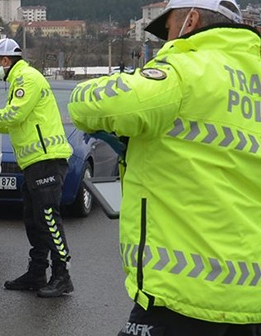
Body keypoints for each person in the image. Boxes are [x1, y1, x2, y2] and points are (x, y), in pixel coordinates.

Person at [68, 0, 261, 333]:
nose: (165, 41)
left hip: (184, 296)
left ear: (191, 20)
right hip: (250, 300)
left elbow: (89, 106)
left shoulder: (185, 70)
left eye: (169, 28)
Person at [0, 38, 74, 298]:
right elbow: (10, 123)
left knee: (48, 218)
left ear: (6, 61)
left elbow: (13, 115)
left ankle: (62, 276)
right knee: (33, 219)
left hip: (47, 159)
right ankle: (37, 272)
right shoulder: (17, 81)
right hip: (34, 162)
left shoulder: (26, 79)